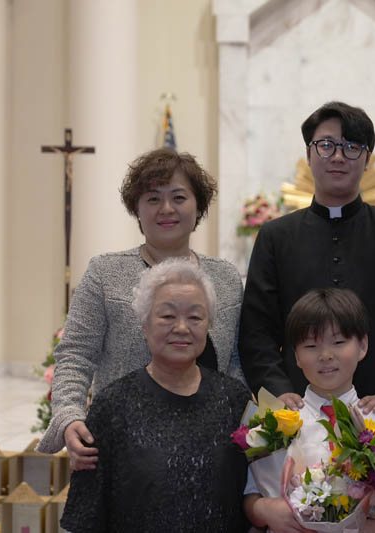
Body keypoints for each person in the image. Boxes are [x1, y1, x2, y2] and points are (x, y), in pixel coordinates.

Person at [37, 148, 244, 466]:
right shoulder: (105, 274)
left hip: (211, 447)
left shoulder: (226, 277)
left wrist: (246, 428)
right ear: (137, 208)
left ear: (199, 205)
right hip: (124, 447)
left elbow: (236, 363)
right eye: (153, 198)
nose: (166, 209)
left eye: (178, 197)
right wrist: (69, 415)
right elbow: (76, 355)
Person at [239, 101, 375, 417]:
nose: (338, 157)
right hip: (297, 411)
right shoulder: (276, 236)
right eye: (326, 145)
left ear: (368, 159)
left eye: (352, 147)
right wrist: (279, 392)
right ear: (308, 155)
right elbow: (256, 332)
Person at [60, 259, 250, 531]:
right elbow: (85, 516)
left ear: (208, 326)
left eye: (195, 317)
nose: (182, 328)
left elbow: (252, 494)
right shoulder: (112, 406)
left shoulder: (234, 400)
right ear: (144, 325)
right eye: (167, 316)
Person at [243, 288, 375, 533]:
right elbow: (251, 495)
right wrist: (264, 510)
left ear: (362, 345)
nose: (325, 355)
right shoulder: (276, 423)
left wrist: (373, 529)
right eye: (311, 345)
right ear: (296, 355)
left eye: (338, 342)